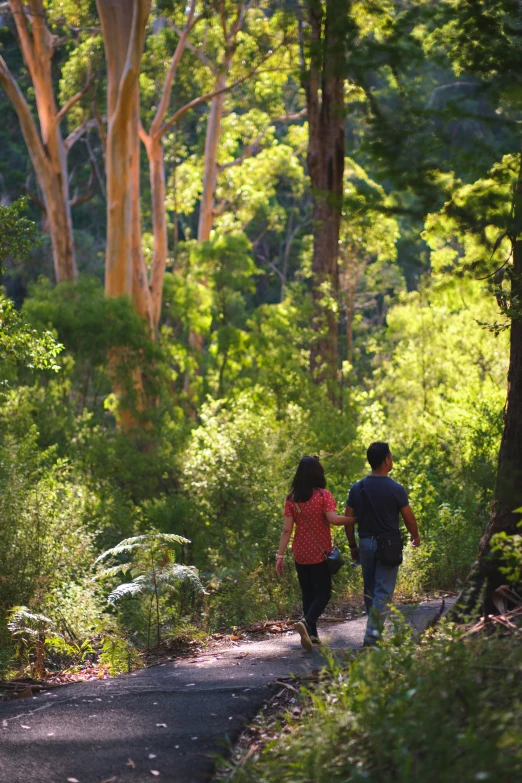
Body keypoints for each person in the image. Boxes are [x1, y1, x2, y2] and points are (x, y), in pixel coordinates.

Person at [344, 441, 420, 647]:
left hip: (366, 544)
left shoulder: (357, 488)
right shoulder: (396, 489)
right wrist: (415, 535)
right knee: (383, 591)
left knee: (370, 590)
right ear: (386, 460)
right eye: (391, 456)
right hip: (388, 545)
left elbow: (348, 521)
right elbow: (408, 518)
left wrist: (353, 546)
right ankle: (372, 635)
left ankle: (374, 631)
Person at [275, 456, 355, 651]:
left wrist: (280, 555)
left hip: (300, 553)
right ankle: (308, 621)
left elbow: (287, 530)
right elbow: (334, 519)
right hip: (320, 553)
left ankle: (312, 634)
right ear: (317, 473)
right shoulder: (322, 495)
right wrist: (355, 519)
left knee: (308, 593)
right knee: (324, 594)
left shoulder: (292, 499)